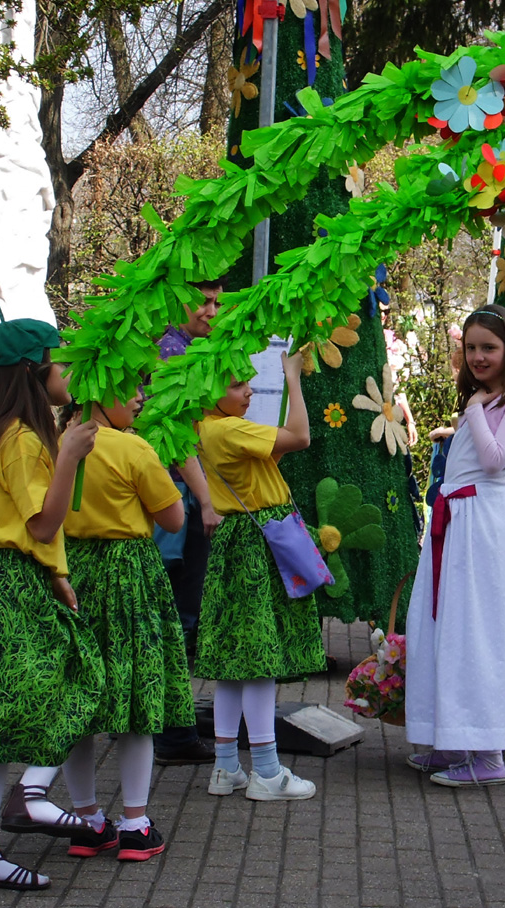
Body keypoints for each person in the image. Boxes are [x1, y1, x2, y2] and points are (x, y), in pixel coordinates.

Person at [0, 319, 102, 891]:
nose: (71, 372)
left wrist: (58, 576)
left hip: (0, 582)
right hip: (7, 587)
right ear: (36, 371)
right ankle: (29, 797)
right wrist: (69, 458)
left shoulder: (1, 432)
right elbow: (42, 523)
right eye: (62, 362)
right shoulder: (24, 441)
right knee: (82, 684)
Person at [405, 305, 505, 787]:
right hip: (458, 522)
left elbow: (494, 458)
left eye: (489, 347)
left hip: (486, 524)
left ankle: (488, 757)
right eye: (472, 348)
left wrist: (475, 411)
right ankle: (452, 741)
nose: (479, 356)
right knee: (445, 628)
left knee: (481, 632)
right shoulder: (486, 398)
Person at [57, 389, 196, 861]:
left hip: (71, 572)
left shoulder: (56, 443)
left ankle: (86, 820)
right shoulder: (133, 448)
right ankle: (135, 824)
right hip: (127, 576)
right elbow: (174, 519)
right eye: (129, 386)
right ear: (102, 390)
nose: (139, 397)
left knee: (80, 702)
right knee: (135, 699)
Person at [196, 349, 325, 801]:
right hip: (258, 546)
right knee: (258, 663)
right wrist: (293, 377)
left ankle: (225, 766)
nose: (248, 390)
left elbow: (268, 461)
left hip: (237, 541)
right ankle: (267, 772)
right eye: (236, 384)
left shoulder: (207, 428)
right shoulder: (229, 429)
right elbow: (301, 437)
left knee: (235, 663)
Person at [152, 277, 223, 767]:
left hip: (180, 497)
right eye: (204, 300)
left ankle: (154, 722)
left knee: (175, 613)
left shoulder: (188, 349)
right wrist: (206, 498)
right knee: (172, 613)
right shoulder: (171, 356)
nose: (212, 310)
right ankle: (169, 733)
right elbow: (181, 441)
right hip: (171, 502)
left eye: (219, 301)